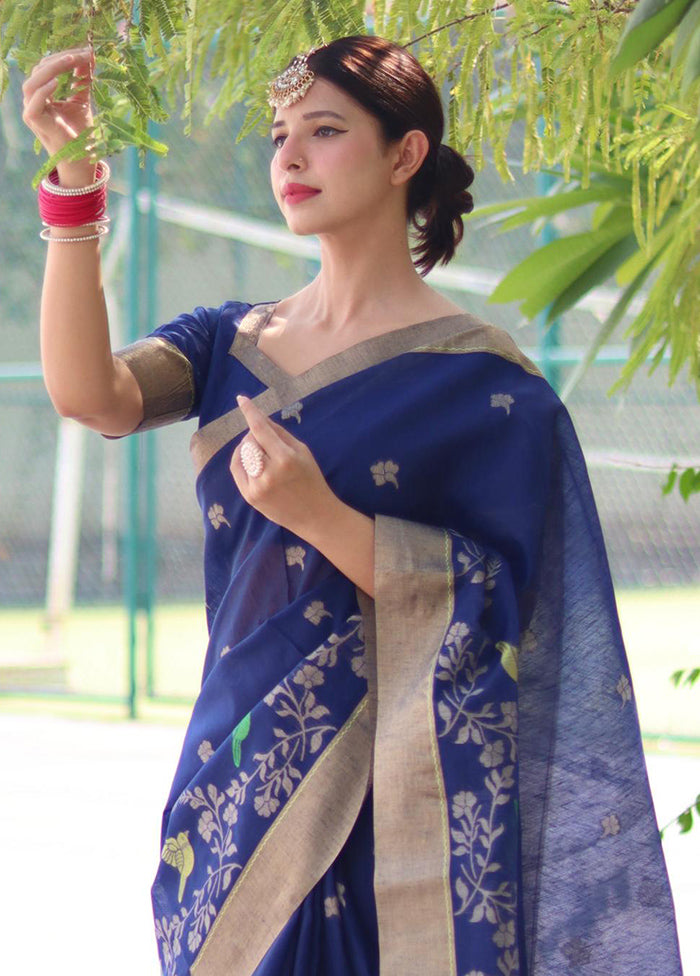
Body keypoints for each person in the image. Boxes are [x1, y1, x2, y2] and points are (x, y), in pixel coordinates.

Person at [22, 34, 681, 976]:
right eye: (280, 134)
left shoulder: (485, 385)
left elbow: (496, 608)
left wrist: (320, 514)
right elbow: (91, 394)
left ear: (404, 154)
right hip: (238, 780)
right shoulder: (228, 345)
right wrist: (74, 182)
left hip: (400, 814)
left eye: (324, 131)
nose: (289, 157)